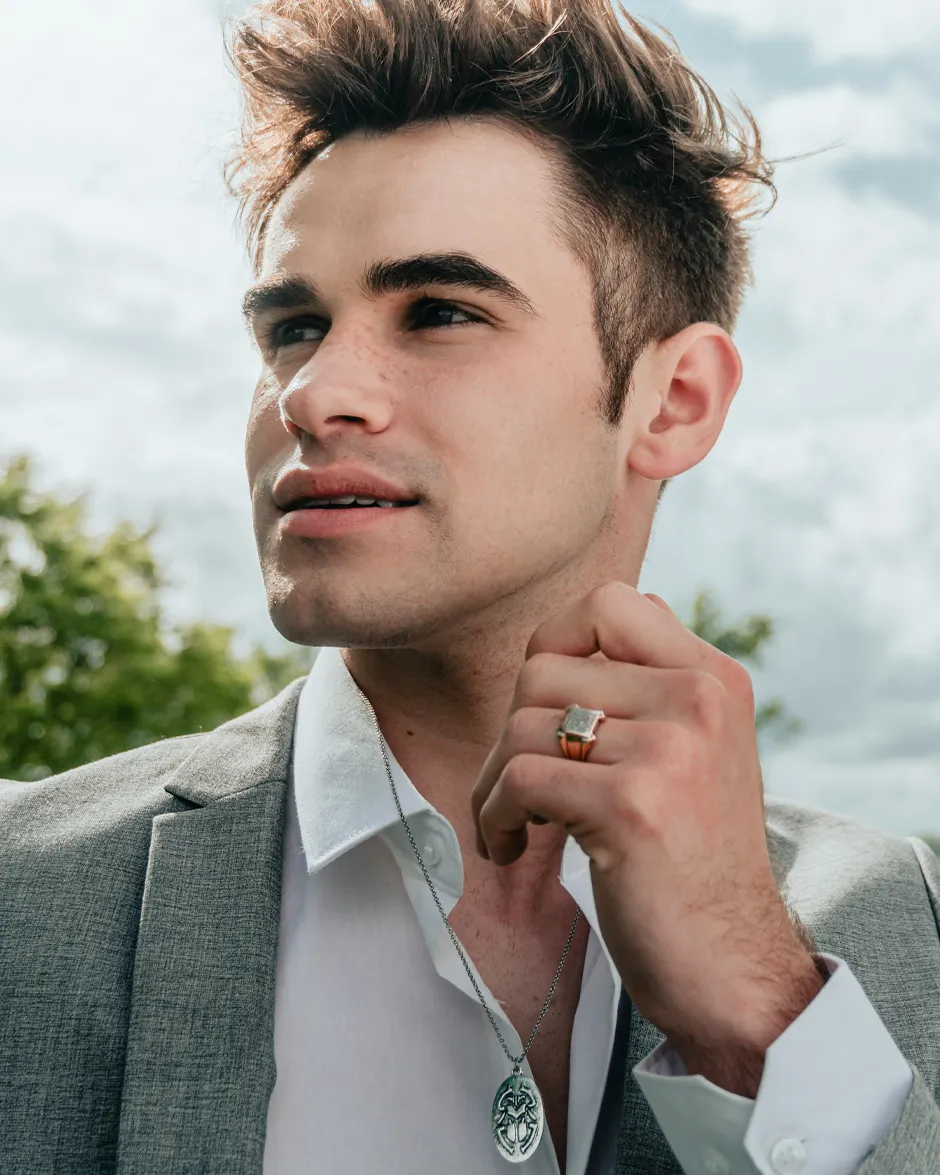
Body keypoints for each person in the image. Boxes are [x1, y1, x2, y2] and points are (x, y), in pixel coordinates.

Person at [2, 0, 939, 1171]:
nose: (311, 391)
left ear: (675, 400)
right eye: (294, 325)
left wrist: (756, 1013)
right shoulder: (21, 894)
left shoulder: (911, 915)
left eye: (439, 311)